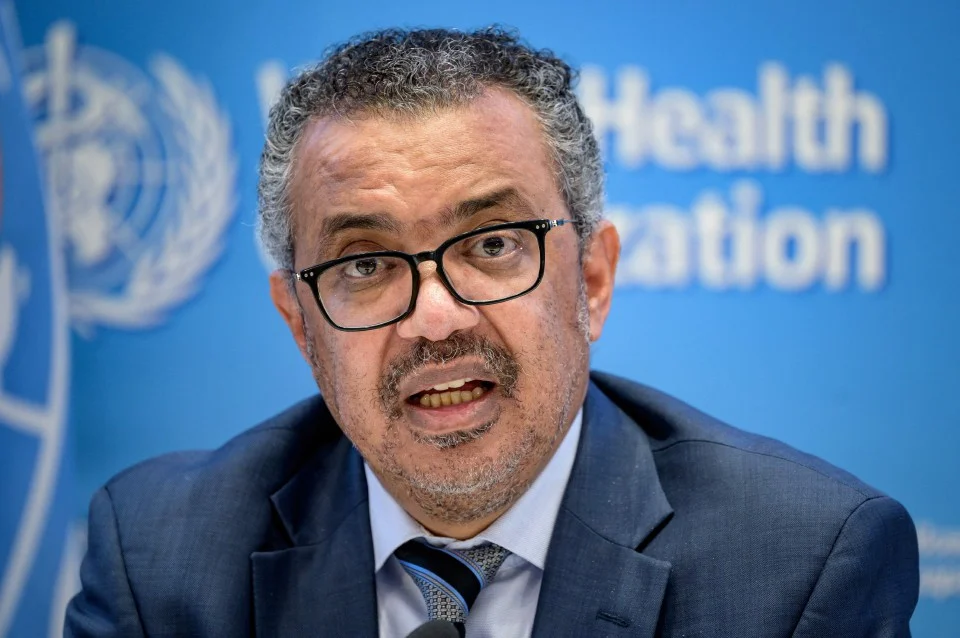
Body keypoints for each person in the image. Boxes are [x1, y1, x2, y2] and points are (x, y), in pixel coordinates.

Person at [65, 27, 919, 638]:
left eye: (493, 245)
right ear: (300, 323)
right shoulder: (161, 561)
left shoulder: (801, 568)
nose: (435, 317)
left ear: (592, 280)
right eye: (366, 263)